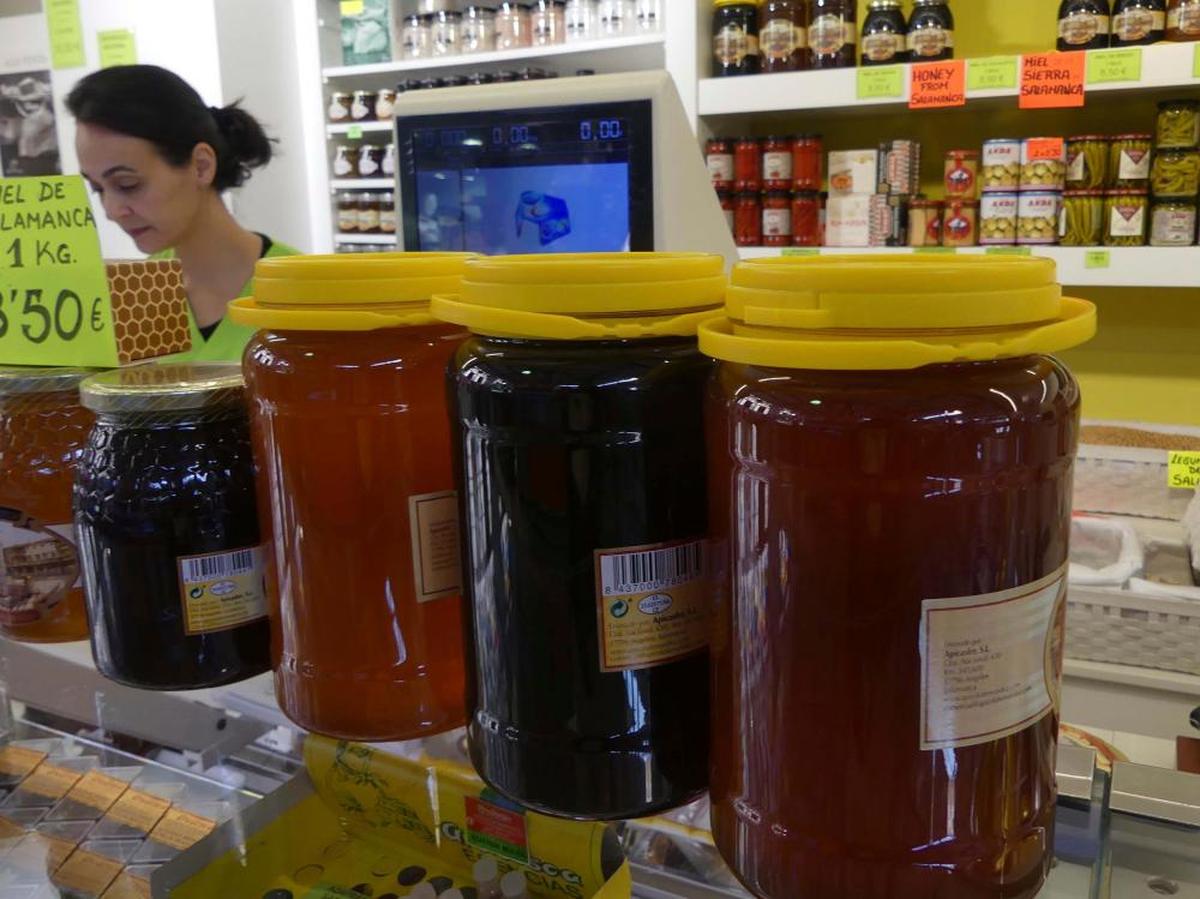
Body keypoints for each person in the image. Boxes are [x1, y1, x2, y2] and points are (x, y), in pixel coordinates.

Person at [66, 65, 299, 361]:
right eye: (98, 189)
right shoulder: (132, 297)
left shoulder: (301, 291)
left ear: (201, 166)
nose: (112, 211)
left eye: (128, 184)